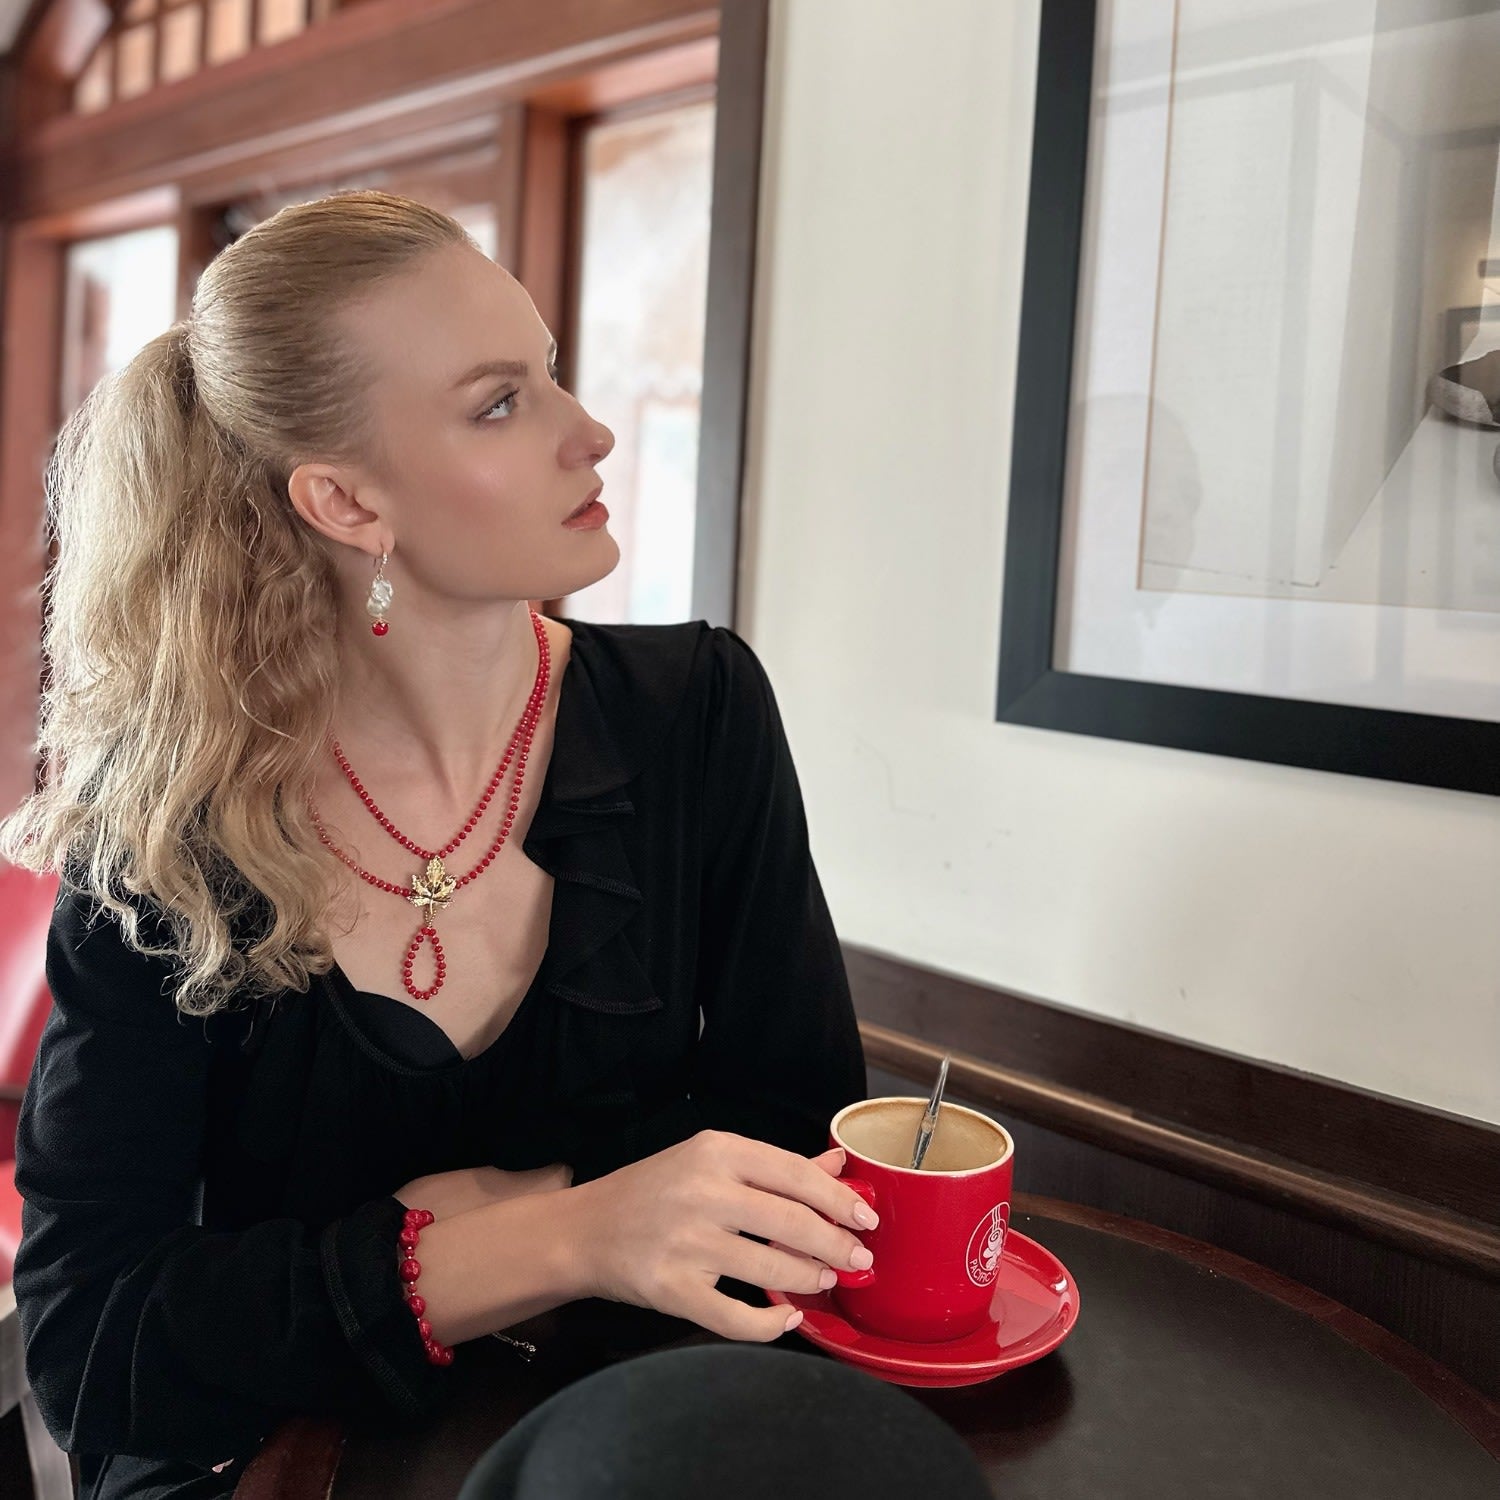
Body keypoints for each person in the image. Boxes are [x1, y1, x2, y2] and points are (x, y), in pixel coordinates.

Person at [0, 190, 989, 1499]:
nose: (591, 432)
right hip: (260, 1459)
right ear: (347, 500)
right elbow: (95, 1347)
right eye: (499, 403)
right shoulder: (166, 829)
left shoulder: (699, 715)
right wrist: (566, 1233)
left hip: (630, 1419)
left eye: (553, 372)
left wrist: (511, 1210)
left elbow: (788, 1145)